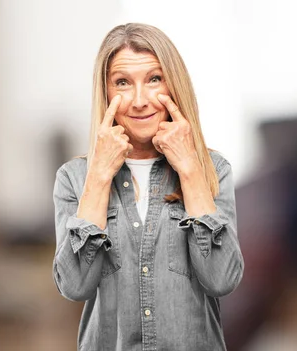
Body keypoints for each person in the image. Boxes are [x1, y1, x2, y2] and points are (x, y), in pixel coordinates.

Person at [52, 23, 244, 350]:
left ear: (174, 85)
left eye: (154, 79)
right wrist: (99, 176)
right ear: (107, 92)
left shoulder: (214, 170)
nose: (140, 101)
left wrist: (189, 169)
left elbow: (222, 279)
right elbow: (74, 286)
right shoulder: (74, 177)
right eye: (123, 83)